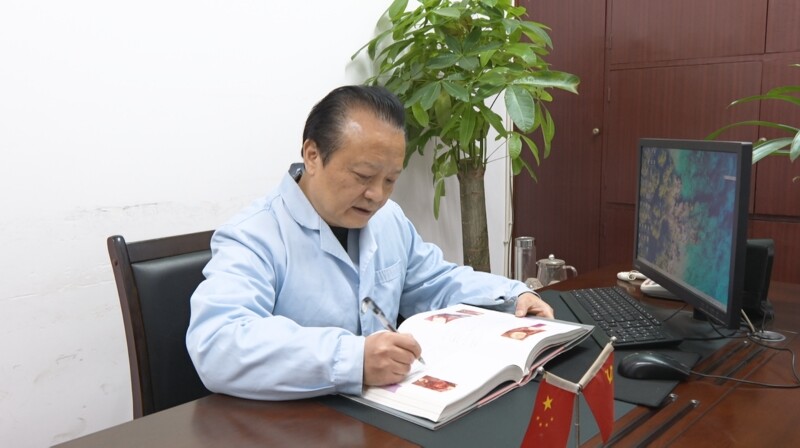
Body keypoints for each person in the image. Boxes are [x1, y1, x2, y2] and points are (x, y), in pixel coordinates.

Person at [186, 85, 554, 401]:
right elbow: (217, 344)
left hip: (384, 409)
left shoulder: (387, 218)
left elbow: (433, 281)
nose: (377, 195)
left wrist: (511, 296)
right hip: (293, 422)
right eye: (363, 175)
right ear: (312, 155)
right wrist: (352, 359)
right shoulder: (254, 235)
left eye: (390, 180)